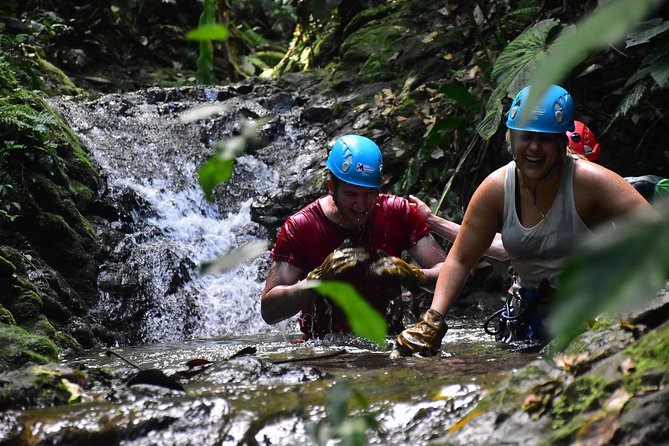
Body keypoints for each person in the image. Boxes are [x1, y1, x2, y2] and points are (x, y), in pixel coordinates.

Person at [393, 85, 652, 357]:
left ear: (562, 143)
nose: (534, 147)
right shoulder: (495, 190)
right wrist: (432, 320)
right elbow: (460, 259)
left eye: (546, 138)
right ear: (511, 139)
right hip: (529, 319)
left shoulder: (591, 182)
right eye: (526, 136)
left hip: (596, 311)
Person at [261, 134, 446, 340]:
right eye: (351, 194)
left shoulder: (397, 211)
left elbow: (449, 273)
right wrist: (315, 280)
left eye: (369, 193)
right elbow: (269, 311)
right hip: (323, 351)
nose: (362, 204)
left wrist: (414, 275)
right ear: (331, 187)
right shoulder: (301, 226)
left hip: (389, 343)